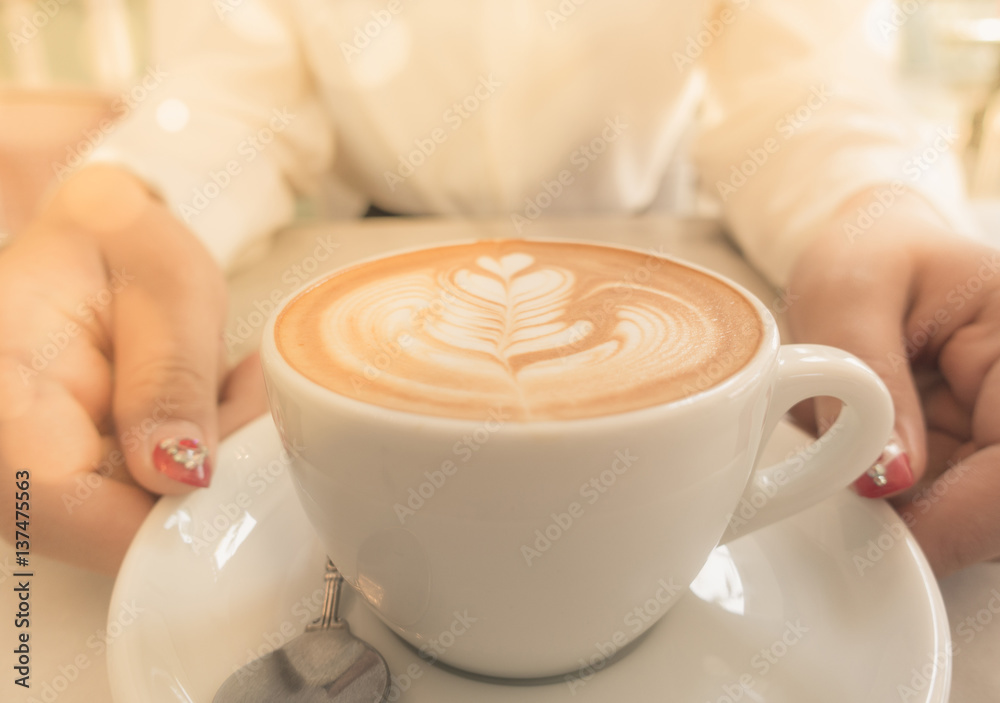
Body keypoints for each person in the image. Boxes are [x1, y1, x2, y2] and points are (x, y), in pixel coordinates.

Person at [1, 0, 997, 577]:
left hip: (674, 261)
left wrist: (874, 214)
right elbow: (236, 89)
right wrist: (122, 198)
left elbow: (801, 91)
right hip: (362, 268)